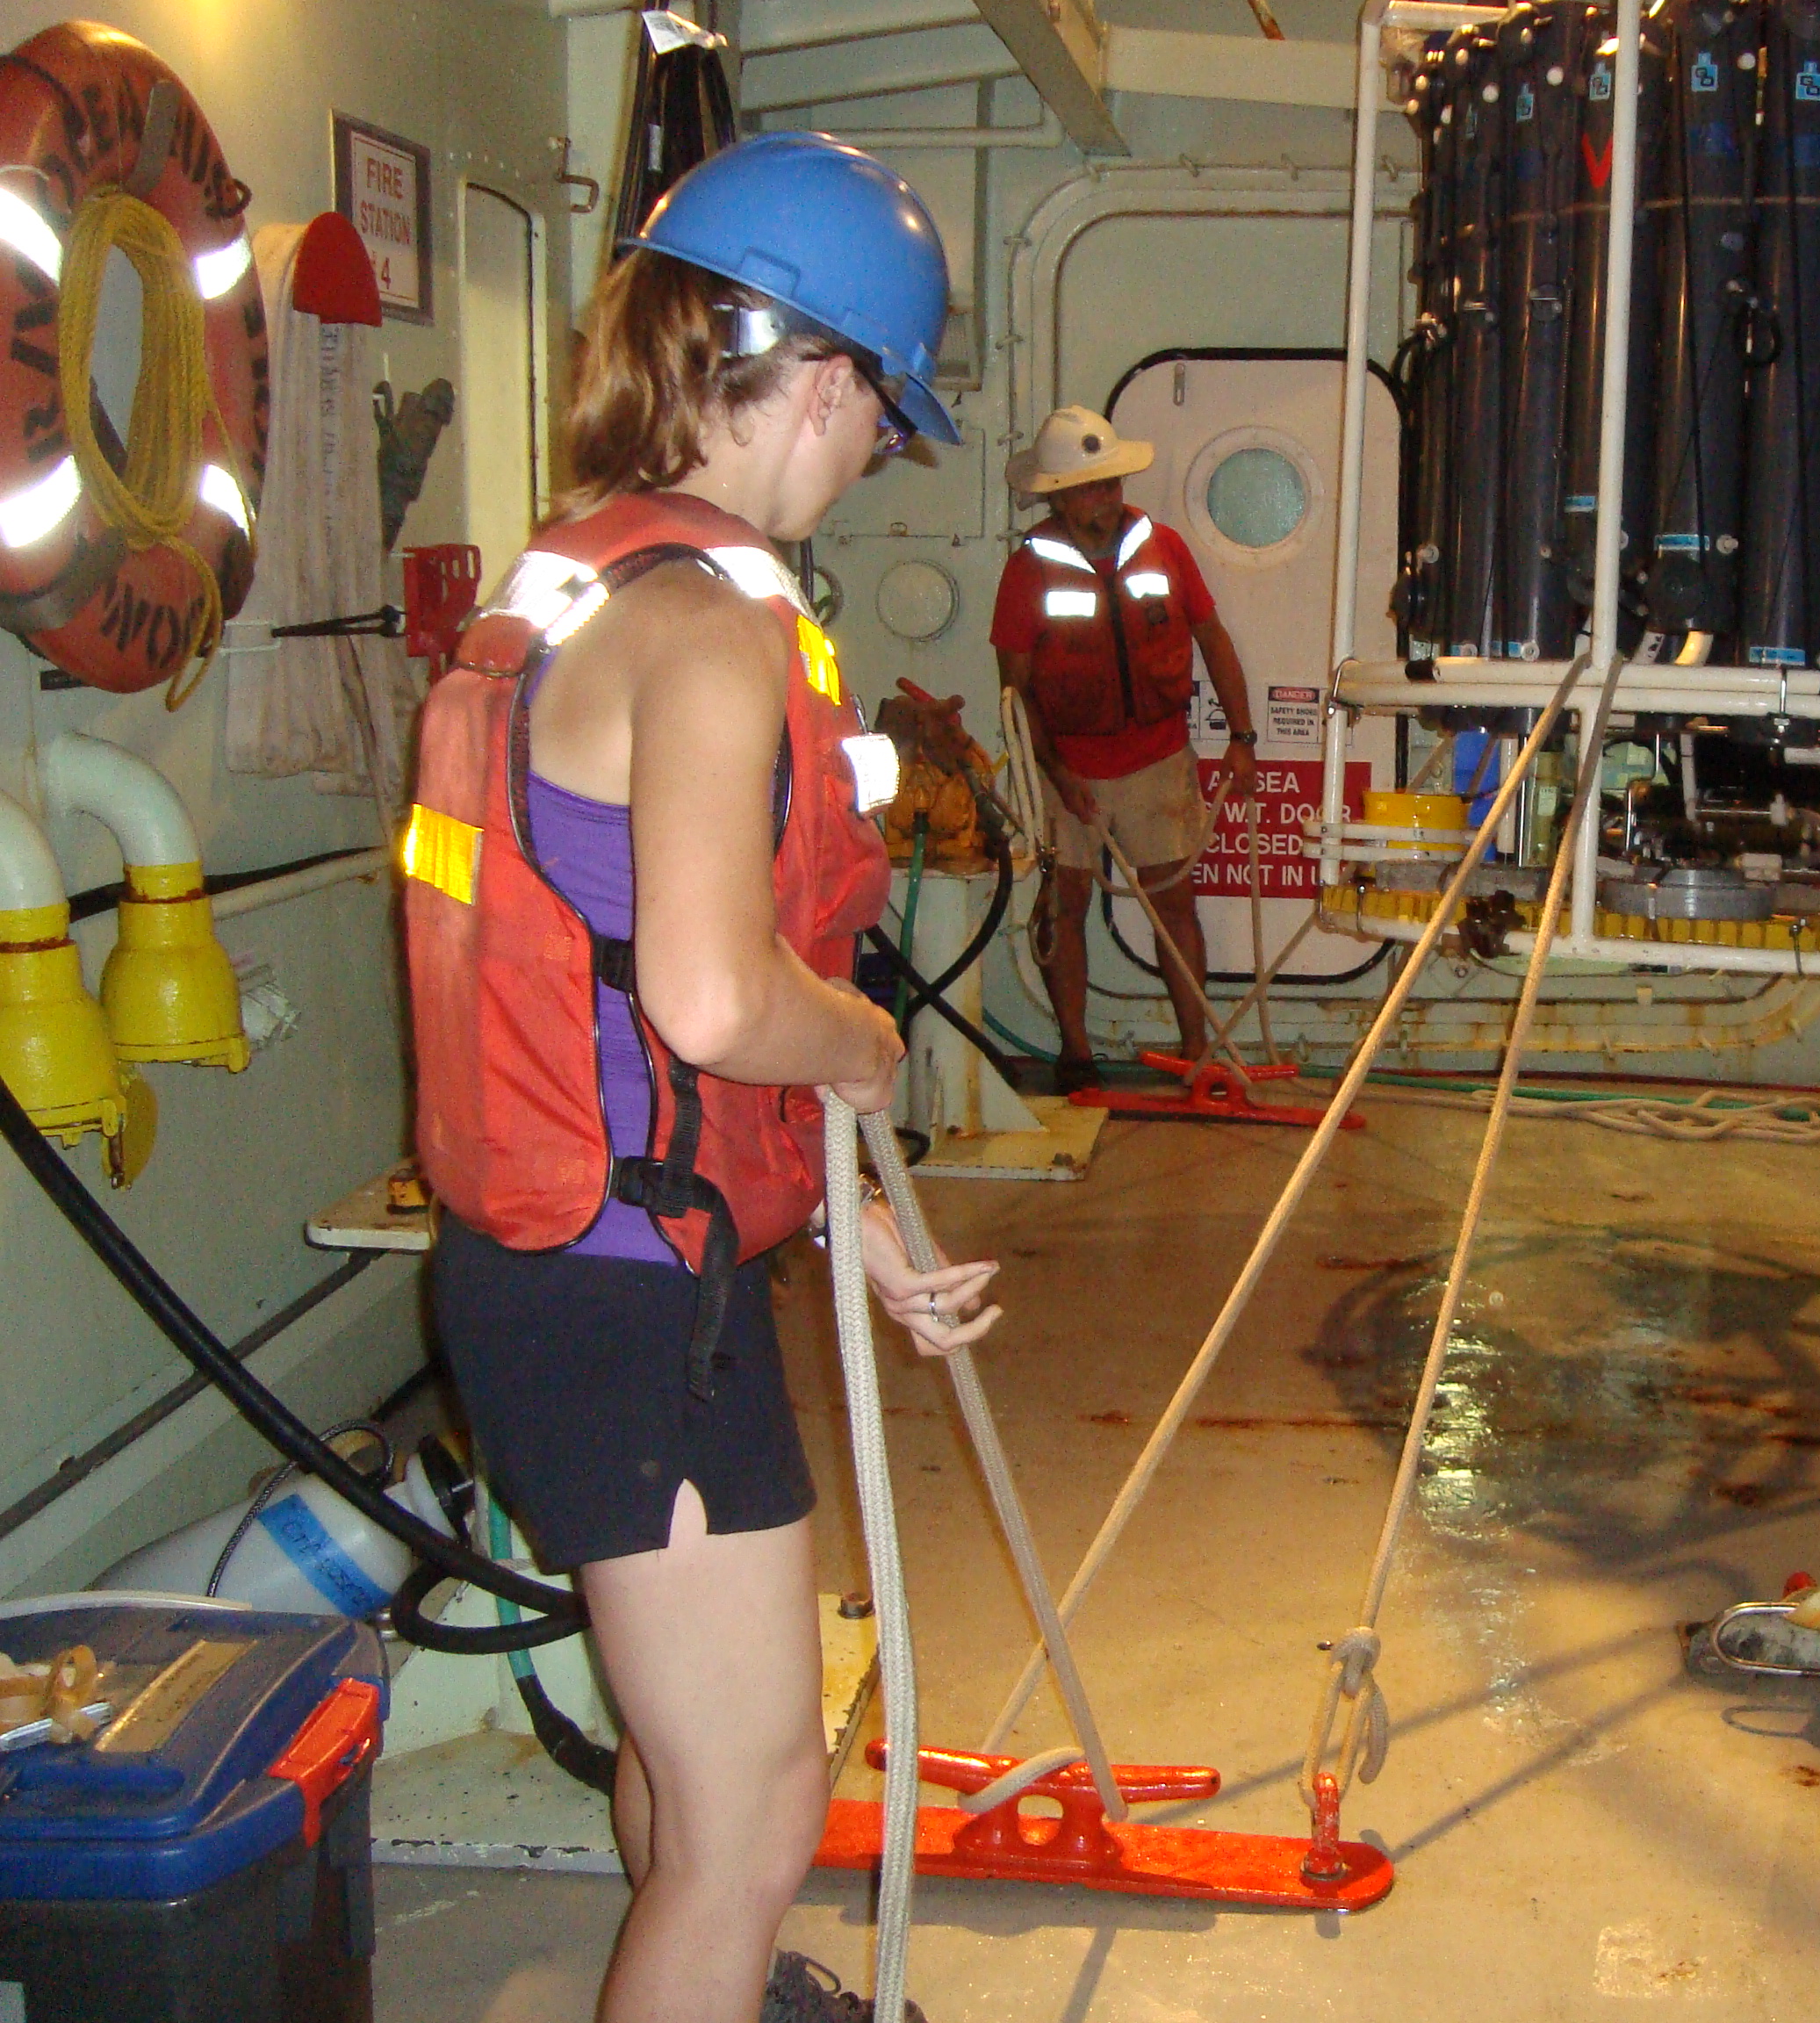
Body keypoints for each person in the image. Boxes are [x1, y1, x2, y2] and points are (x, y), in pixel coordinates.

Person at [401, 134, 997, 2023]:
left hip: (587, 1278)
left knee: (687, 1760)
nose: (867, 464)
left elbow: (619, 1012)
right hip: (622, 1309)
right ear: (822, 382)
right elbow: (723, 1002)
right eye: (878, 424)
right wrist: (877, 1044)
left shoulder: (581, 593)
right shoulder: (716, 633)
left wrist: (846, 1227)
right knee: (751, 1812)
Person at [990, 405, 1258, 1089]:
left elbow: (1213, 638)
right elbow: (1015, 693)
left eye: (1108, 484)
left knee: (1174, 906)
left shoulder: (1163, 545)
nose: (1102, 499)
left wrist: (1243, 737)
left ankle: (1196, 1051)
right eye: (1086, 487)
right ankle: (1076, 1052)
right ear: (1055, 494)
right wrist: (1054, 773)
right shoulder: (1027, 571)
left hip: (1159, 762)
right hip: (1066, 767)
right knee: (1064, 905)